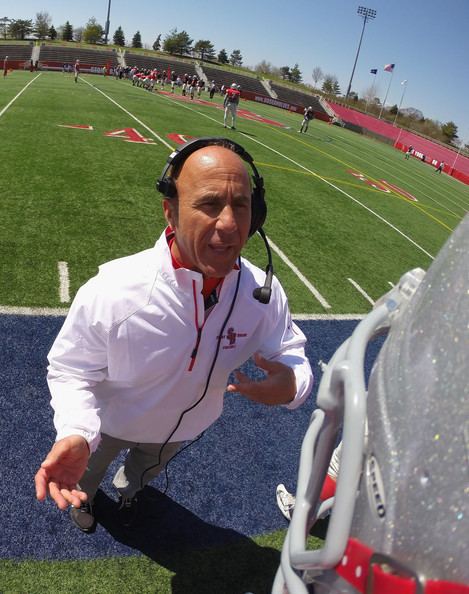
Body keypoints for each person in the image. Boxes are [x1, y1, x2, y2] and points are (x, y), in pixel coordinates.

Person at [34, 137, 314, 534]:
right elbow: (70, 370)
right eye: (210, 204)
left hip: (180, 431)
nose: (230, 224)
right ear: (171, 211)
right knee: (87, 472)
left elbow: (292, 354)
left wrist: (292, 385)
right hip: (108, 425)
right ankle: (89, 497)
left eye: (241, 205)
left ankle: (130, 491)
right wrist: (78, 430)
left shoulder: (262, 294)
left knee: (143, 472)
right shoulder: (114, 289)